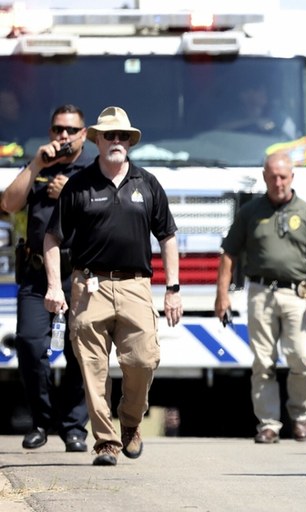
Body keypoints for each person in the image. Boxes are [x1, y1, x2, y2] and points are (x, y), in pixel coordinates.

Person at [43, 106, 183, 466]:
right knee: (92, 367)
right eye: (110, 136)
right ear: (98, 141)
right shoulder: (79, 185)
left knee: (144, 359)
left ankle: (131, 423)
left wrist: (173, 288)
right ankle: (105, 441)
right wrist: (54, 287)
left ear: (130, 142)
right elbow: (52, 238)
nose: (117, 141)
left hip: (136, 286)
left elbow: (167, 236)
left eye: (123, 136)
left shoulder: (147, 183)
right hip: (89, 286)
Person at [215, 150, 306, 444]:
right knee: (263, 361)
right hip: (259, 294)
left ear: (291, 177)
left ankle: (299, 417)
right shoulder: (250, 212)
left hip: (297, 295)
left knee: (302, 359)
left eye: (283, 176)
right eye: (272, 177)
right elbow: (229, 254)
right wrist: (222, 296)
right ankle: (268, 424)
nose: (278, 182)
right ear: (265, 177)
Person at [0, 104, 91, 453]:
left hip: (78, 276)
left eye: (70, 130)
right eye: (57, 129)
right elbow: (9, 203)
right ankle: (40, 420)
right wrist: (36, 164)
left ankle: (73, 428)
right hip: (38, 276)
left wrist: (69, 193)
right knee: (29, 343)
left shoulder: (91, 170)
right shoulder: (38, 166)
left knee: (80, 352)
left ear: (83, 134)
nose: (63, 137)